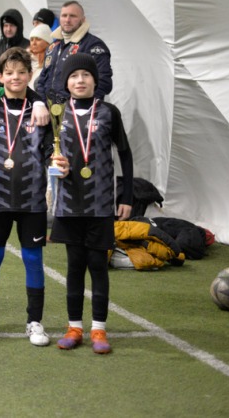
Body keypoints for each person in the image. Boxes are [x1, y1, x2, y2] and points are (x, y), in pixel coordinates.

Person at [51, 53, 133, 354]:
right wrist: (53, 165)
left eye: (86, 75)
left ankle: (99, 329)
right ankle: (74, 327)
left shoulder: (109, 112)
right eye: (74, 76)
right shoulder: (58, 113)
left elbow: (125, 153)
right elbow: (49, 152)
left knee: (98, 265)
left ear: (95, 81)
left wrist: (127, 196)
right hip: (69, 202)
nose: (80, 80)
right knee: (74, 266)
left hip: (100, 203)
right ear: (66, 83)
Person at [0, 47, 53, 347]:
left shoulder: (41, 113)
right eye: (9, 73)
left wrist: (39, 100)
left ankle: (35, 322)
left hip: (32, 200)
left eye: (21, 72)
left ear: (30, 75)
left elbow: (51, 150)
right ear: (0, 76)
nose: (15, 77)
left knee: (33, 258)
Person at [36, 0, 113, 104]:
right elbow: (42, 79)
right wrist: (41, 104)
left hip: (79, 110)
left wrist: (81, 107)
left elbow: (103, 82)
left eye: (73, 16)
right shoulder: (52, 47)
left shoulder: (93, 46)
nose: (67, 20)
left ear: (83, 19)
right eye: (64, 15)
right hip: (48, 110)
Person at [28, 23, 53, 89]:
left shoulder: (53, 62)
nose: (34, 43)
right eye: (31, 40)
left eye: (38, 39)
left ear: (48, 42)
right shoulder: (25, 61)